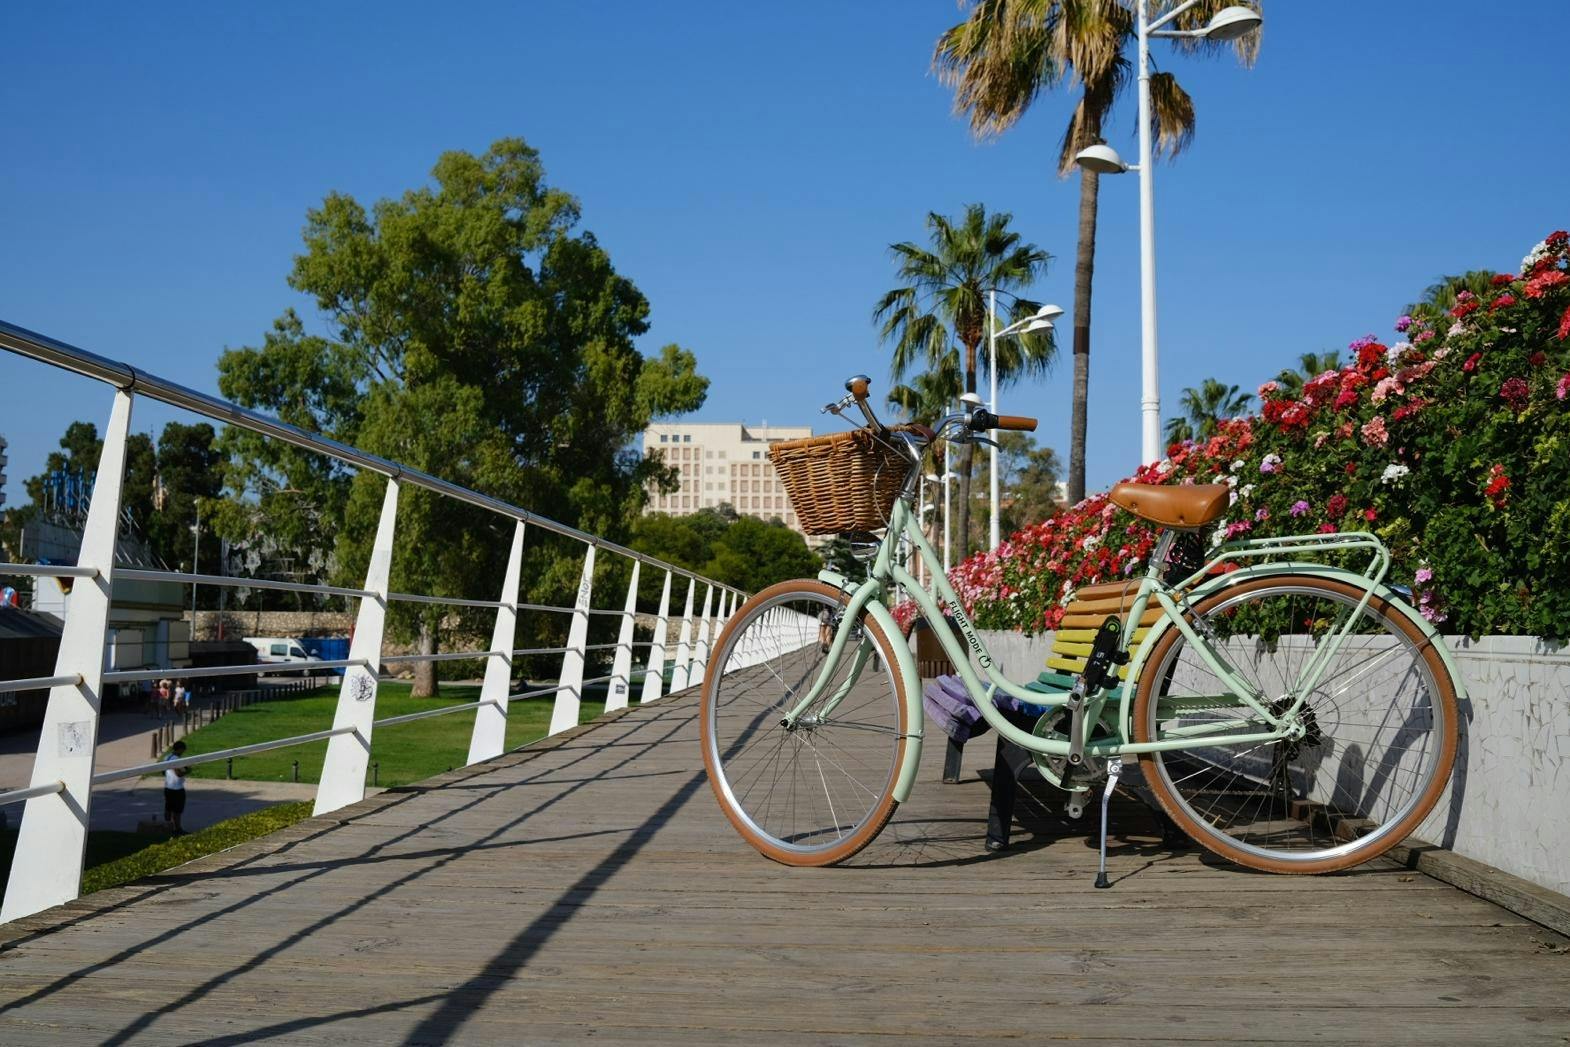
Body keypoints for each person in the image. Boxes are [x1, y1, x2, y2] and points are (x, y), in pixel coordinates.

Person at [163, 740, 190, 835]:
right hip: (177, 788)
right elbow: (178, 773)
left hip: (168, 787)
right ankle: (177, 829)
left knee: (168, 808)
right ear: (180, 749)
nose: (183, 753)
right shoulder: (176, 759)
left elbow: (163, 771)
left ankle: (167, 827)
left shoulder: (167, 757)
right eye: (183, 750)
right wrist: (188, 770)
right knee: (177, 810)